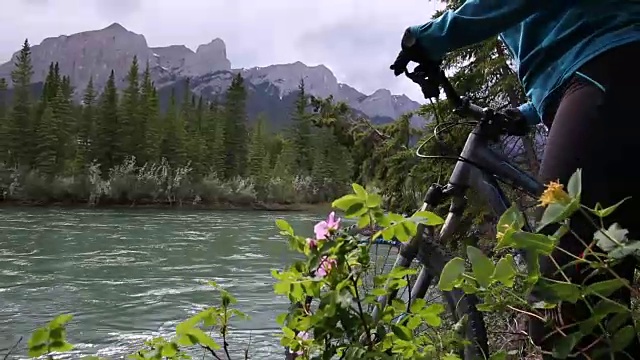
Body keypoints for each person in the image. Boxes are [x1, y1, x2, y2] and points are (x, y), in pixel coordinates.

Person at [393, 1, 640, 359]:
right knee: (604, 307)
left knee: (560, 314)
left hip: (609, 67)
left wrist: (429, 39)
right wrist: (527, 113)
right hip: (611, 73)